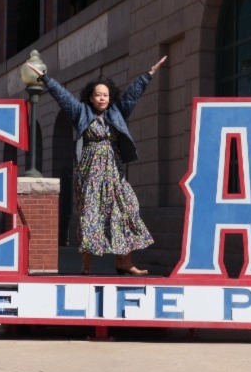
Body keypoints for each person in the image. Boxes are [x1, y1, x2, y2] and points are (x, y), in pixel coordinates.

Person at [28, 55, 167, 275]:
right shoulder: (81, 113)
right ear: (90, 98)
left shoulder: (116, 112)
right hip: (89, 172)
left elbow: (132, 95)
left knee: (127, 208)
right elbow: (63, 97)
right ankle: (87, 263)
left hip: (114, 171)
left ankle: (124, 261)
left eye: (106, 95)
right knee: (91, 213)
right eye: (98, 95)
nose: (102, 98)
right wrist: (46, 79)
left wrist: (149, 74)